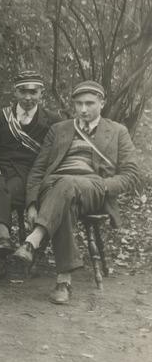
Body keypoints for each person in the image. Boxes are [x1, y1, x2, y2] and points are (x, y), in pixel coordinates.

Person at [11, 80, 139, 304]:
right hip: (55, 187)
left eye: (89, 103)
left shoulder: (118, 131)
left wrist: (105, 186)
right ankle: (63, 281)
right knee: (66, 191)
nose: (83, 109)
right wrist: (31, 203)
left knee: (67, 184)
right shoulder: (59, 129)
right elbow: (38, 169)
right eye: (78, 103)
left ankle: (34, 240)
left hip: (95, 188)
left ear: (102, 102)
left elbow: (131, 174)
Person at [0, 71, 58, 281]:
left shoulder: (52, 121)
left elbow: (52, 157)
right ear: (15, 91)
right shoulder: (0, 117)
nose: (28, 97)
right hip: (0, 169)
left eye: (33, 91)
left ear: (41, 92)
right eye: (23, 91)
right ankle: (4, 239)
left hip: (28, 176)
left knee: (4, 194)